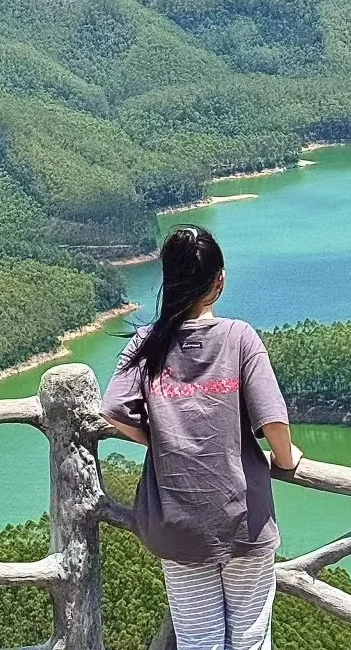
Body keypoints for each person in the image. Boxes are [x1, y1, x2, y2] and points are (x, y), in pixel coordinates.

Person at [102, 225, 302, 650]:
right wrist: (285, 460)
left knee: (198, 641)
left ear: (169, 279)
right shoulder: (239, 337)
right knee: (249, 640)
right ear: (220, 281)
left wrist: (159, 440)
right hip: (244, 521)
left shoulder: (147, 341)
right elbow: (274, 423)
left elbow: (114, 409)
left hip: (178, 524)